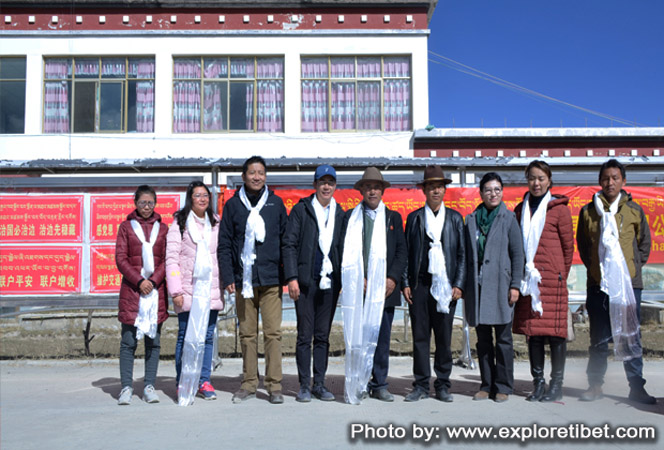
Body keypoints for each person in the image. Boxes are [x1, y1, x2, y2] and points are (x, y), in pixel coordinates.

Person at [576, 159, 656, 404]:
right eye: (605, 178)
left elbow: (644, 245)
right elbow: (583, 245)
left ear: (623, 181)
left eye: (615, 178)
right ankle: (595, 385)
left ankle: (636, 387)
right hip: (598, 285)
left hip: (628, 285)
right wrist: (597, 271)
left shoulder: (634, 210)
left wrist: (628, 270)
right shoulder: (589, 211)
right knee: (598, 338)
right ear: (599, 182)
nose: (610, 182)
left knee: (631, 335)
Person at [218, 156, 288, 404]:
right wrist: (228, 276)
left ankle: (274, 386)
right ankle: (248, 383)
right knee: (247, 335)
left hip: (271, 281)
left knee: (273, 334)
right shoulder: (233, 205)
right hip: (243, 281)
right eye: (252, 173)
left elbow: (286, 242)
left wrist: (289, 276)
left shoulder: (276, 204)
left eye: (261, 173)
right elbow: (224, 244)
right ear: (244, 176)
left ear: (265, 177)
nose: (256, 177)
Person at [340, 167, 406, 404]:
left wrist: (392, 278)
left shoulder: (392, 218)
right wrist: (358, 278)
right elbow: (344, 251)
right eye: (368, 187)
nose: (372, 191)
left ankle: (379, 384)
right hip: (359, 288)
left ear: (382, 191)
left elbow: (401, 252)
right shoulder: (350, 217)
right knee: (357, 337)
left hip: (384, 289)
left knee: (381, 338)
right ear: (361, 191)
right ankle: (359, 381)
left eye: (376, 187)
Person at [402, 166, 466, 403]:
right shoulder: (415, 218)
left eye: (439, 187)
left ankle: (442, 384)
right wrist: (406, 282)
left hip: (446, 286)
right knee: (420, 337)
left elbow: (461, 255)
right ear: (424, 190)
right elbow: (407, 254)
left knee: (443, 337)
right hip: (420, 286)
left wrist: (458, 283)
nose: (435, 191)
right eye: (431, 187)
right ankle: (420, 384)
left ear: (444, 190)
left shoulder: (455, 219)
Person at [283, 164, 346, 402]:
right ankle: (304, 386)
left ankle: (319, 383)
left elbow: (342, 248)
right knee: (304, 336)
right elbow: (289, 244)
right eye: (322, 182)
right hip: (306, 283)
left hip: (330, 284)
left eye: (330, 183)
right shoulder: (302, 210)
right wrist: (292, 278)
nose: (326, 187)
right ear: (315, 185)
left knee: (323, 336)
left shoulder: (340, 214)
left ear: (335, 186)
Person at [512, 161, 574, 402]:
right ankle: (538, 384)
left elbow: (568, 249)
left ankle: (556, 385)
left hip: (552, 283)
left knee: (557, 336)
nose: (536, 183)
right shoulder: (520, 209)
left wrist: (559, 275)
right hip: (530, 282)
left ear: (549, 180)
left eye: (541, 178)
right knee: (534, 335)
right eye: (531, 178)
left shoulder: (559, 209)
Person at [464, 172, 524, 403]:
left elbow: (518, 255)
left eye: (497, 189)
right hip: (477, 289)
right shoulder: (471, 220)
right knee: (483, 340)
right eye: (488, 190)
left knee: (503, 340)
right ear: (481, 193)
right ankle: (486, 384)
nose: (493, 194)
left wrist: (515, 285)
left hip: (501, 287)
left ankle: (504, 386)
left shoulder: (508, 219)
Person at [166, 181, 223, 404]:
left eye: (205, 195)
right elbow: (171, 259)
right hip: (188, 290)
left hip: (210, 288)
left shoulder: (216, 223)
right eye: (197, 195)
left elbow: (221, 254)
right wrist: (175, 290)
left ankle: (204, 381)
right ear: (190, 198)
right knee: (185, 337)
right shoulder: (178, 224)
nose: (202, 199)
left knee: (207, 337)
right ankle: (183, 381)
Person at [115, 185, 169, 405]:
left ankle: (149, 385)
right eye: (142, 203)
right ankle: (126, 387)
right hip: (132, 291)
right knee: (128, 342)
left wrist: (153, 281)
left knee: (153, 342)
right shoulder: (126, 228)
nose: (146, 207)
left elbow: (168, 259)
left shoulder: (164, 229)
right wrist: (139, 281)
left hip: (156, 292)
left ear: (155, 204)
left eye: (150, 203)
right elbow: (121, 258)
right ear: (135, 203)